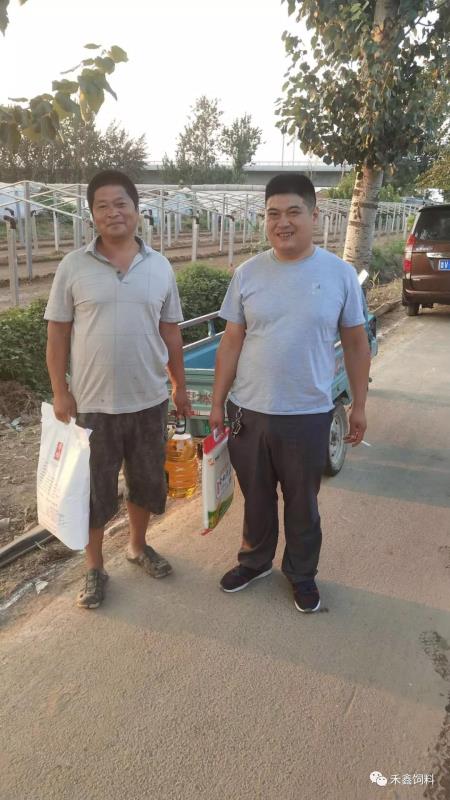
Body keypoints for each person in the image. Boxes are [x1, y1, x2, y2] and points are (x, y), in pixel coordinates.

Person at [209, 173, 370, 613]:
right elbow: (231, 342)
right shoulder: (248, 274)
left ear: (314, 216)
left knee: (303, 503)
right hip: (248, 411)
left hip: (307, 412)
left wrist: (359, 405)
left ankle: (301, 574)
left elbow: (356, 344)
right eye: (273, 214)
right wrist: (217, 402)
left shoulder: (338, 275)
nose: (283, 223)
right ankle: (255, 561)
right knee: (256, 497)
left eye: (293, 212)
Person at [45, 170, 191, 610]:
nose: (113, 213)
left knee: (146, 482)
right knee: (94, 492)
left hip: (149, 400)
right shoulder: (73, 267)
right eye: (103, 206)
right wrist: (60, 391)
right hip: (93, 405)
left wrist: (179, 386)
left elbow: (171, 333)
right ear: (92, 215)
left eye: (121, 203)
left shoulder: (160, 267)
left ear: (137, 210)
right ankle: (94, 567)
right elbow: (57, 334)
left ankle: (137, 546)